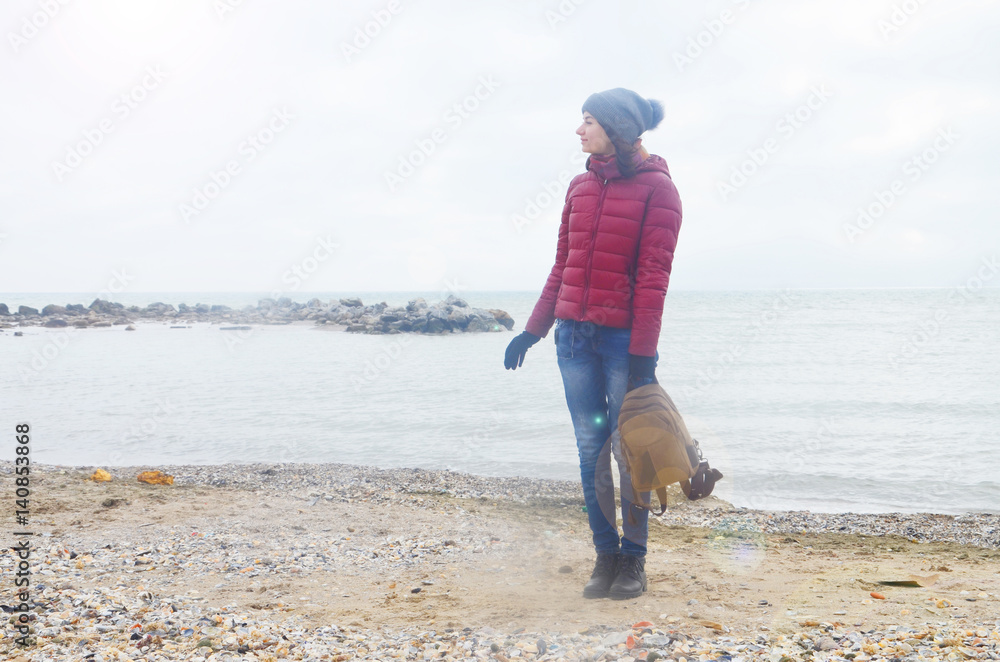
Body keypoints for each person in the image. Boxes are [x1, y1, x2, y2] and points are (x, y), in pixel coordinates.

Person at [503, 88, 682, 600]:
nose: (578, 131)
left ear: (617, 128)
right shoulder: (579, 187)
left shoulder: (659, 191)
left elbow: (653, 279)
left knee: (631, 454)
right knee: (590, 450)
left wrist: (644, 356)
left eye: (587, 121)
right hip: (573, 337)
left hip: (623, 341)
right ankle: (605, 556)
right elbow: (563, 265)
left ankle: (634, 560)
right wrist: (532, 331)